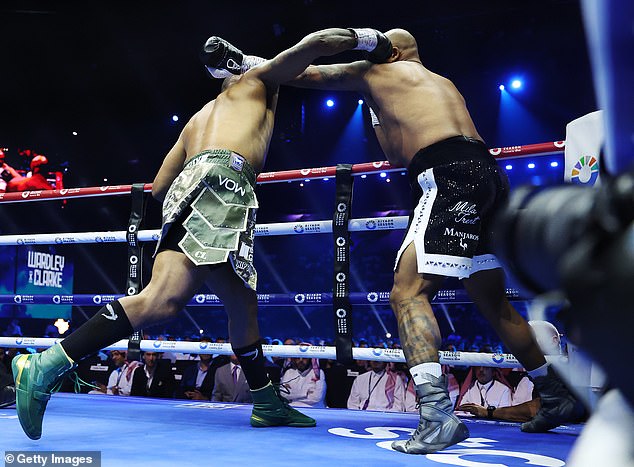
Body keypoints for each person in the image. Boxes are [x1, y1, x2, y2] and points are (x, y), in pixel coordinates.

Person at [220, 27, 582, 453]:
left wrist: (241, 64)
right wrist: (376, 114)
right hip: (488, 177)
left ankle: (436, 415)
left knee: (408, 293)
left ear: (393, 52)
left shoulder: (375, 72)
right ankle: (556, 396)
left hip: (446, 174)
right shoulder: (439, 83)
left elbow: (303, 73)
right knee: (493, 302)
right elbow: (395, 154)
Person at [11, 28, 367, 440]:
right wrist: (366, 40)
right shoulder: (256, 81)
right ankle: (49, 363)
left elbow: (160, 186)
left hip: (189, 190)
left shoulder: (198, 120)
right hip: (224, 184)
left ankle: (266, 401)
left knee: (241, 301)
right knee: (162, 300)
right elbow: (314, 47)